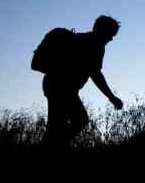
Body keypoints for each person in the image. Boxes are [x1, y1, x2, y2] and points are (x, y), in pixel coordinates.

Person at [34, 15, 124, 147]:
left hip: (57, 86)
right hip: (61, 87)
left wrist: (111, 97)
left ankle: (53, 145)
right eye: (110, 35)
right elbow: (96, 74)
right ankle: (53, 146)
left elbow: (95, 73)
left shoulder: (88, 42)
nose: (110, 39)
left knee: (61, 125)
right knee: (77, 121)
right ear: (102, 31)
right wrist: (111, 97)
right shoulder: (93, 45)